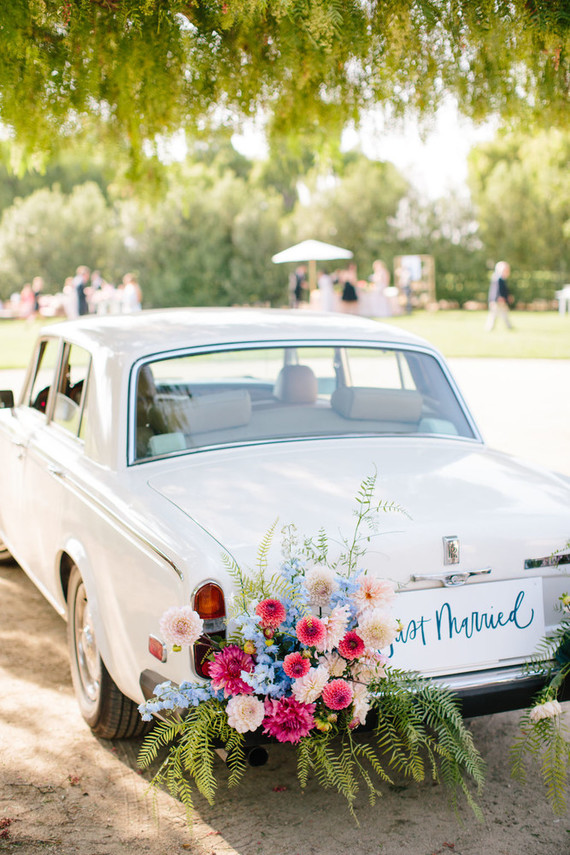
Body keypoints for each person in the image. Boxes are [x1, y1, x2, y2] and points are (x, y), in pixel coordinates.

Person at [486, 261, 513, 331]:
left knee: (504, 313)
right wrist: (500, 297)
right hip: (497, 300)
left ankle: (509, 326)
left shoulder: (500, 278)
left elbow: (504, 290)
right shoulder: (498, 279)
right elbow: (496, 290)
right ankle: (489, 327)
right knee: (494, 314)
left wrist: (507, 297)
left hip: (499, 300)